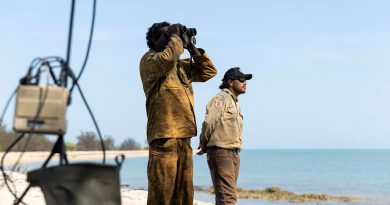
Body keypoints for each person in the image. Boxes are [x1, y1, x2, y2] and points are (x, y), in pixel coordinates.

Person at [139, 22, 217, 205]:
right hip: (164, 136)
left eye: (172, 36)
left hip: (184, 136)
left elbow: (208, 72)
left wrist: (190, 46)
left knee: (184, 195)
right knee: (161, 195)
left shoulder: (180, 65)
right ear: (153, 40)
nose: (171, 39)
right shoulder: (149, 60)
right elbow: (166, 60)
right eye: (165, 35)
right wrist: (175, 36)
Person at [197, 67, 252, 205]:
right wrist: (203, 144)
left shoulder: (234, 101)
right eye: (241, 80)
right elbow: (209, 122)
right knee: (228, 199)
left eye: (245, 80)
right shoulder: (222, 98)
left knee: (225, 197)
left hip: (232, 153)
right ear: (230, 82)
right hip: (222, 153)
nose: (245, 82)